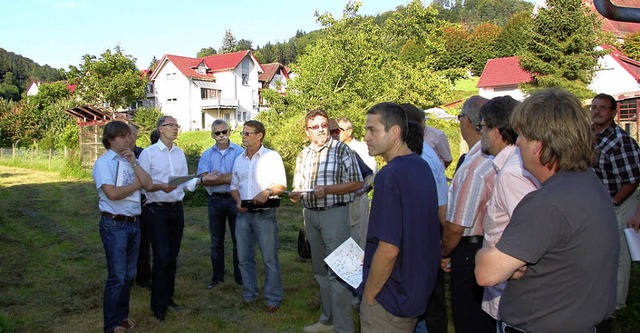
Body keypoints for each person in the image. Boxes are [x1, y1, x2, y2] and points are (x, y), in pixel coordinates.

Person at [475, 88, 618, 332]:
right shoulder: (588, 183)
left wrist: (488, 252)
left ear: (538, 146)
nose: (516, 142)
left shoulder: (548, 202)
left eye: (521, 136)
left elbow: (486, 272)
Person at [360, 102, 440, 332]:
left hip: (390, 298)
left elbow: (389, 248)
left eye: (372, 130)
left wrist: (370, 294)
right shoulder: (421, 166)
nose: (366, 136)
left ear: (395, 132)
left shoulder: (389, 175)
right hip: (416, 292)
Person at [290, 109, 363, 333]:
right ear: (307, 131)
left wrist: (329, 190)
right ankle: (327, 321)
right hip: (310, 215)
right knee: (320, 269)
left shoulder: (342, 150)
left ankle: (344, 328)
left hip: (335, 213)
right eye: (315, 127)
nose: (320, 130)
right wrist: (295, 194)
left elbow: (357, 183)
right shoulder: (303, 155)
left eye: (323, 125)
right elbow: (298, 187)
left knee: (339, 271)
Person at [476, 96, 539, 323]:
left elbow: (532, 230)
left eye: (481, 126)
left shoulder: (512, 173)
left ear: (495, 131)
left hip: (513, 289)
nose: (479, 133)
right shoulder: (512, 165)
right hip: (508, 283)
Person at [138, 116, 204, 322]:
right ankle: (158, 307)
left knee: (172, 258)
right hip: (156, 210)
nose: (175, 128)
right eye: (171, 125)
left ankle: (168, 299)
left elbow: (183, 183)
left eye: (177, 125)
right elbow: (141, 182)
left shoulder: (179, 153)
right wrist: (159, 186)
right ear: (160, 129)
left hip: (176, 210)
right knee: (162, 257)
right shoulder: (148, 154)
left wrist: (201, 180)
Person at [440, 96, 497, 333]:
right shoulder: (491, 156)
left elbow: (456, 225)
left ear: (466, 121)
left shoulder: (476, 164)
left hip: (470, 250)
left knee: (470, 318)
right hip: (485, 247)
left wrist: (445, 252)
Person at [92, 121, 152, 333]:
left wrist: (135, 163)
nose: (129, 140)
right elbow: (113, 194)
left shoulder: (129, 160)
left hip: (133, 224)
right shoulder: (103, 163)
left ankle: (123, 317)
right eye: (124, 137)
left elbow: (149, 182)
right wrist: (137, 185)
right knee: (117, 276)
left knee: (128, 276)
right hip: (114, 224)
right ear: (111, 140)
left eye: (130, 136)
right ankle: (111, 324)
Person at [400, 103, 448, 333]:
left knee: (427, 297)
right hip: (425, 233)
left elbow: (439, 206)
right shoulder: (423, 153)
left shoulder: (420, 158)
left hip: (421, 235)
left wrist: (445, 246)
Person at [230, 120, 287, 313]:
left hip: (265, 213)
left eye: (247, 133)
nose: (244, 137)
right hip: (243, 214)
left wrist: (267, 191)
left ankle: (273, 298)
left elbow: (282, 185)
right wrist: (238, 201)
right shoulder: (239, 159)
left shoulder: (272, 157)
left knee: (269, 258)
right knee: (244, 258)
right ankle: (249, 294)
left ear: (259, 135)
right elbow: (233, 186)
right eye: (243, 133)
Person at [591, 93, 640, 310]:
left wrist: (614, 202)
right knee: (601, 250)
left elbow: (632, 179)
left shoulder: (620, 141)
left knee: (619, 254)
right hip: (598, 203)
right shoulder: (590, 135)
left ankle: (616, 306)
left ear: (613, 112)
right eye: (593, 107)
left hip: (620, 201)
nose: (596, 111)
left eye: (602, 107)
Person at [197, 119, 244, 289]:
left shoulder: (240, 152)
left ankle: (240, 277)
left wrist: (216, 177)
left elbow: (239, 176)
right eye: (218, 133)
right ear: (212, 135)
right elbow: (204, 180)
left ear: (229, 132)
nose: (222, 135)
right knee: (216, 240)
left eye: (224, 131)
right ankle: (217, 277)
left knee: (238, 239)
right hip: (215, 200)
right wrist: (227, 177)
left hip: (234, 198)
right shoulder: (206, 155)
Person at [329, 118, 374, 248]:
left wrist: (362, 190)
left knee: (354, 246)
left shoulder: (350, 152)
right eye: (331, 132)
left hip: (352, 207)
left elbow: (369, 175)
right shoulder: (317, 155)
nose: (335, 134)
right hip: (330, 211)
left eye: (337, 131)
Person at [136, 128, 160, 289]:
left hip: (148, 203)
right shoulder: (144, 154)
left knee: (147, 242)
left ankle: (145, 277)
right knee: (138, 243)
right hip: (137, 202)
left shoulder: (140, 152)